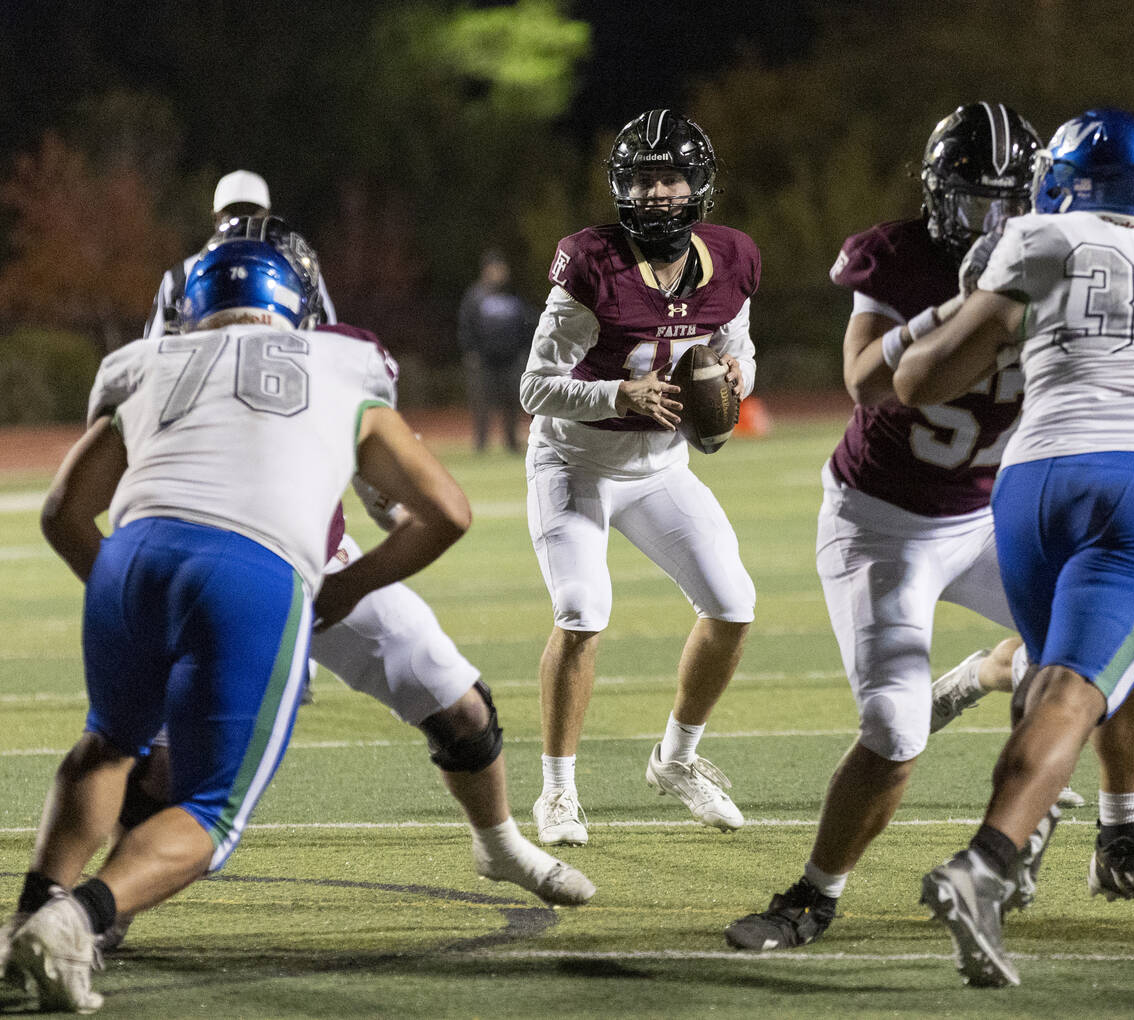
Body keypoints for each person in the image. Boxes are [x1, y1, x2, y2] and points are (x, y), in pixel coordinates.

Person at [0, 239, 591, 1013]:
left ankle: (28, 919)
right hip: (258, 567)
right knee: (209, 807)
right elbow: (448, 511)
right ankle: (77, 919)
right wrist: (341, 591)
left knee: (109, 742)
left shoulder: (144, 363)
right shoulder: (342, 363)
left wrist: (122, 592)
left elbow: (62, 513)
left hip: (135, 555)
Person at [724, 101, 1134, 956]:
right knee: (897, 729)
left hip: (992, 510)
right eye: (972, 198)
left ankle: (1120, 833)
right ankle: (812, 896)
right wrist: (966, 303)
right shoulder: (902, 256)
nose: (989, 218)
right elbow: (870, 382)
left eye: (1003, 200)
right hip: (886, 521)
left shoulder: (1055, 244)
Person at [893, 108, 1134, 987]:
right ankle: (987, 861)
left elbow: (921, 380)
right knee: (1073, 689)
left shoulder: (1040, 235)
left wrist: (946, 316)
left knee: (1057, 685)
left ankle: (1059, 845)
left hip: (1029, 486)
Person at [521, 109, 758, 846]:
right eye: (644, 181)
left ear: (698, 186)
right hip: (577, 463)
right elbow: (534, 388)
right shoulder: (591, 261)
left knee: (733, 604)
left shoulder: (733, 258)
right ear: (622, 187)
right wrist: (615, 395)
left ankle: (676, 761)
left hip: (659, 469)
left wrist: (740, 377)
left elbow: (735, 345)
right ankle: (557, 791)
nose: (657, 195)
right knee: (583, 609)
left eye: (670, 179)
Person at [142, 169, 336, 337]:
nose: (243, 220)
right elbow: (331, 339)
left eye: (251, 212)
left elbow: (151, 352)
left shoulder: (182, 274)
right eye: (234, 212)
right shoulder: (178, 277)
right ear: (215, 218)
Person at [458, 250, 536, 452]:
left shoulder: (513, 295)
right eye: (496, 268)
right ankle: (481, 444)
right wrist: (471, 352)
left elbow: (526, 325)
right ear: (486, 270)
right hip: (484, 361)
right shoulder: (475, 296)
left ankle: (511, 442)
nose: (500, 272)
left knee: (512, 401)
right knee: (482, 403)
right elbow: (466, 325)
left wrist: (525, 351)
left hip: (510, 359)